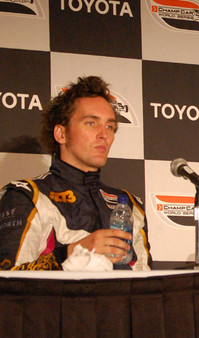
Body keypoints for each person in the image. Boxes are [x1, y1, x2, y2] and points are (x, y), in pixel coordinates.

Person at [0, 76, 151, 270]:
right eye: (91, 123)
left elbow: (146, 286)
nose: (104, 134)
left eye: (110, 126)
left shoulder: (129, 205)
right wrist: (71, 252)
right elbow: (8, 281)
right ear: (61, 134)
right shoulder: (27, 196)